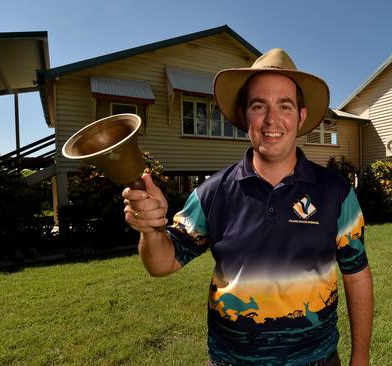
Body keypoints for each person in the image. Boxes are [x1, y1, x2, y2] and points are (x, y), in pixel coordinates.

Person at [123, 48, 373, 366]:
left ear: (301, 116)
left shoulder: (336, 193)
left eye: (285, 105)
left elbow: (357, 274)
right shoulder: (212, 192)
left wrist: (361, 357)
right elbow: (163, 264)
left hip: (318, 360)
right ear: (245, 116)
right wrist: (152, 229)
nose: (272, 119)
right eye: (259, 106)